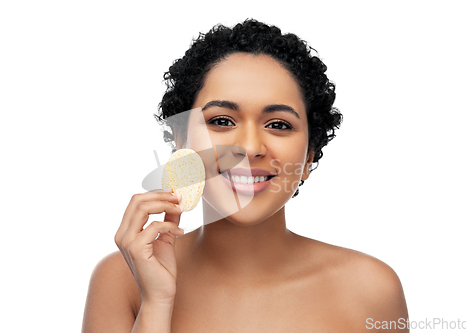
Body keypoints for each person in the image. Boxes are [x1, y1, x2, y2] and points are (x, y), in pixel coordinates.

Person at [82, 19, 409, 332]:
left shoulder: (371, 289)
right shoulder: (123, 279)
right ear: (182, 143)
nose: (249, 148)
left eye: (278, 125)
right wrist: (156, 303)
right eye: (222, 121)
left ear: (309, 157)